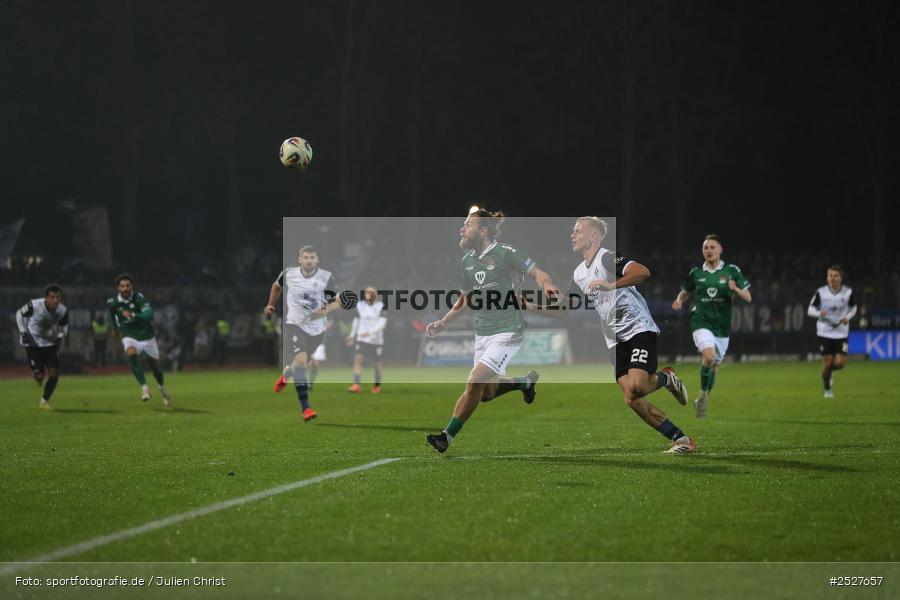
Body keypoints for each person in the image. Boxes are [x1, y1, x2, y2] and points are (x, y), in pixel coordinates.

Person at [532, 217, 694, 453]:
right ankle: (681, 440)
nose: (572, 235)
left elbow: (643, 272)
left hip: (638, 328)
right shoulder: (579, 274)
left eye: (578, 231)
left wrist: (610, 285)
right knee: (632, 398)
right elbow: (562, 310)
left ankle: (666, 377)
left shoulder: (607, 258)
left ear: (593, 236)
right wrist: (527, 305)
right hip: (614, 340)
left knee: (638, 386)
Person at [424, 208, 557, 453]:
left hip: (508, 329)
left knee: (474, 381)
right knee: (485, 393)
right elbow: (465, 299)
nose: (462, 229)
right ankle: (525, 383)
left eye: (468, 225)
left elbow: (537, 272)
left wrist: (547, 285)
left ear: (483, 230)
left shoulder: (506, 253)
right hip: (483, 332)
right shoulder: (466, 262)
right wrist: (443, 322)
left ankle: (446, 437)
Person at [671, 234, 751, 418]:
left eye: (712, 247)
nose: (709, 250)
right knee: (709, 357)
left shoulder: (732, 271)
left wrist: (735, 289)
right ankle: (702, 396)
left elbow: (748, 297)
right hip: (701, 321)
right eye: (705, 248)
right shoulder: (696, 273)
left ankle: (702, 396)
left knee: (714, 366)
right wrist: (679, 300)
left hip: (722, 326)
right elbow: (685, 291)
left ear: (720, 250)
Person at [265, 246, 342, 422]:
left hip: (317, 328)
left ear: (317, 260)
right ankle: (306, 408)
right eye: (305, 257)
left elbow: (337, 301)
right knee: (301, 361)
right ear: (299, 259)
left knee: (301, 365)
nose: (308, 260)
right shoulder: (288, 274)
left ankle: (287, 374)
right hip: (295, 323)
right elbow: (276, 286)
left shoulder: (326, 277)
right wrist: (270, 304)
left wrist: (327, 309)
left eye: (312, 257)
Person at [107, 273, 172, 406]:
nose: (125, 288)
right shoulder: (113, 302)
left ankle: (161, 388)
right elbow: (111, 315)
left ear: (132, 287)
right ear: (118, 288)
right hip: (129, 335)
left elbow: (149, 315)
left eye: (128, 286)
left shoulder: (138, 298)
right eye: (122, 286)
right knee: (131, 353)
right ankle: (144, 388)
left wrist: (133, 314)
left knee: (154, 366)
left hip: (146, 336)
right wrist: (114, 329)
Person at [16, 285, 69, 410]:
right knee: (40, 377)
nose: (55, 300)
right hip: (32, 343)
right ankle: (37, 375)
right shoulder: (34, 305)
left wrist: (60, 336)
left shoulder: (62, 310)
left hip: (49, 343)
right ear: (46, 298)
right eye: (52, 297)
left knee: (54, 374)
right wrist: (23, 332)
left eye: (58, 297)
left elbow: (64, 326)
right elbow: (19, 314)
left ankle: (44, 401)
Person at [807, 265, 856, 397]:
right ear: (827, 277)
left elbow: (853, 308)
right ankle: (827, 389)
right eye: (830, 276)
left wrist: (847, 318)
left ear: (841, 278)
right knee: (827, 361)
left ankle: (829, 371)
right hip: (824, 332)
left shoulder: (848, 292)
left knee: (840, 363)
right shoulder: (821, 292)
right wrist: (819, 313)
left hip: (841, 332)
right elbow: (810, 310)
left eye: (835, 276)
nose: (832, 278)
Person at [346, 286, 386, 394]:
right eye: (367, 292)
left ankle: (377, 385)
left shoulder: (381, 306)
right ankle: (356, 384)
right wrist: (352, 335)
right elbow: (356, 321)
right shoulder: (359, 305)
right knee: (358, 358)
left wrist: (369, 332)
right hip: (362, 338)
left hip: (376, 340)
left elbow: (382, 324)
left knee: (377, 362)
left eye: (372, 292)